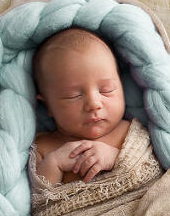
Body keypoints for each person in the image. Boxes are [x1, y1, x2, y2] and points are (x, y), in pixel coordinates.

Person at [32, 27, 133, 184]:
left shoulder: (130, 132)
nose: (94, 104)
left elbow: (151, 168)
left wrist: (115, 157)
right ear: (48, 106)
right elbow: (38, 200)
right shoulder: (43, 148)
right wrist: (54, 164)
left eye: (106, 90)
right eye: (74, 96)